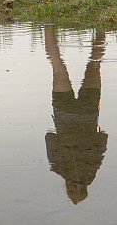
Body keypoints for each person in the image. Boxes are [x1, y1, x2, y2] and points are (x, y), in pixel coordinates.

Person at [44, 26, 108, 204]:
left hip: (88, 112)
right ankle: (47, 21)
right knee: (57, 65)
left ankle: (102, 24)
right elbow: (49, 137)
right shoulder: (58, 167)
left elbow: (103, 139)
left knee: (94, 64)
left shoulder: (93, 165)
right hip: (63, 112)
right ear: (66, 187)